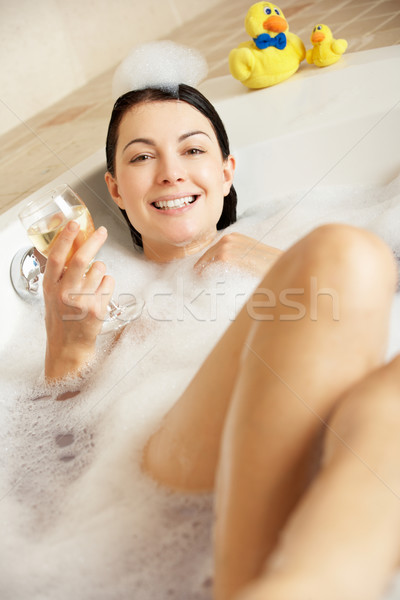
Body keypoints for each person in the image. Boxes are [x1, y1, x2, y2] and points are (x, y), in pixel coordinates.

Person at [42, 82, 400, 600]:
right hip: (162, 452)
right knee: (343, 255)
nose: (170, 171)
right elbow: (49, 478)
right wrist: (66, 352)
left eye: (192, 149)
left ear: (227, 171)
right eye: (143, 157)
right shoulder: (97, 300)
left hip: (336, 432)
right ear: (116, 189)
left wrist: (278, 264)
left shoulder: (297, 237)